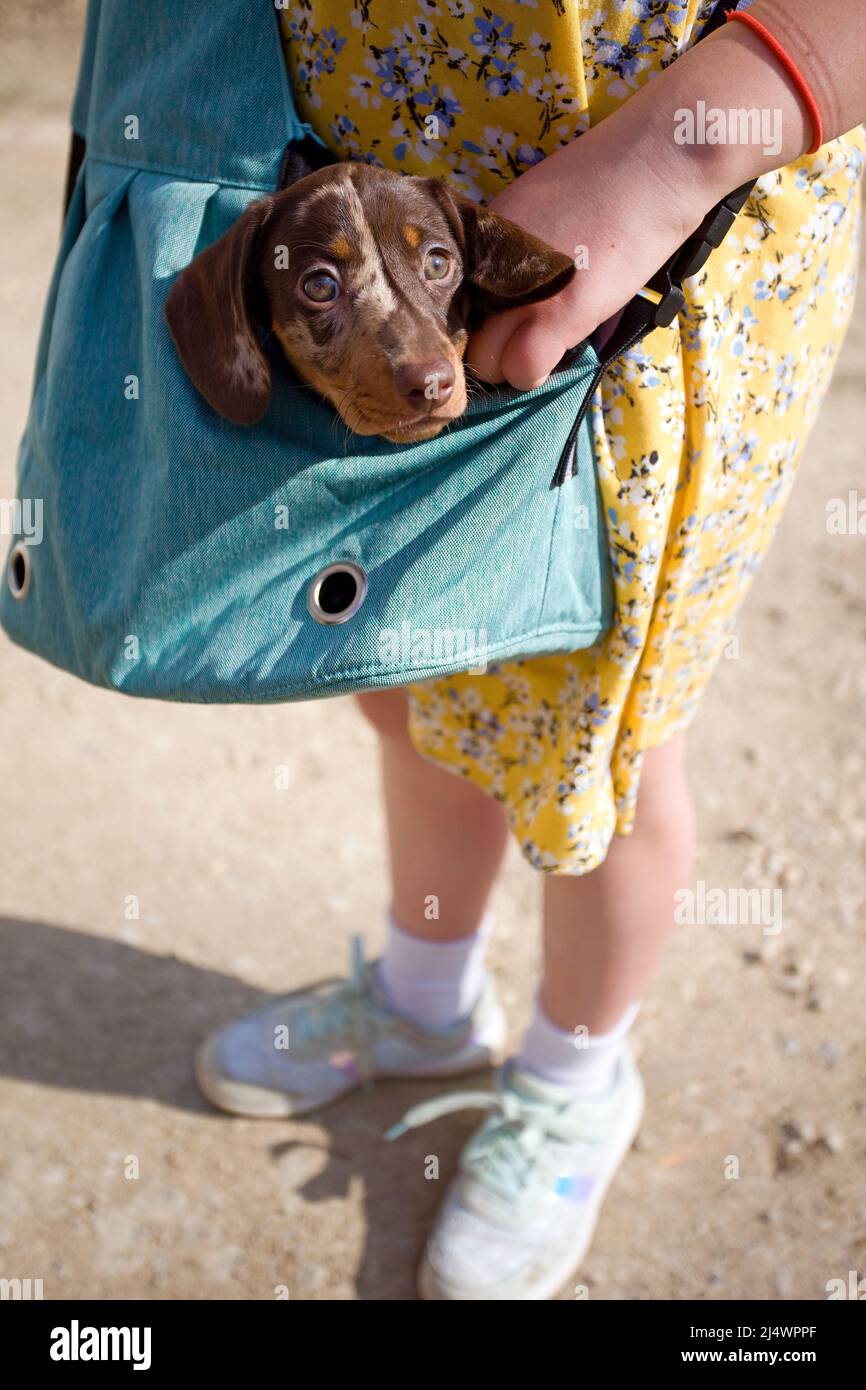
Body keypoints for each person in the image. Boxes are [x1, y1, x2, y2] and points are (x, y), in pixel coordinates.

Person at [193, 0, 866, 1299]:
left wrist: (676, 150)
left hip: (654, 266)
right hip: (367, 207)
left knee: (593, 743)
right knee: (407, 679)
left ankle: (573, 1077)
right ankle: (425, 999)